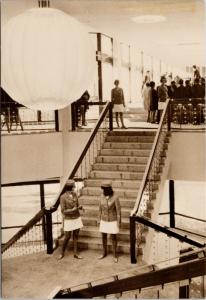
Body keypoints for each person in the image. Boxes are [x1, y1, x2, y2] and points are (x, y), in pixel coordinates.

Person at [58, 179, 84, 260]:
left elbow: (78, 205)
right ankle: (62, 252)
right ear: (70, 187)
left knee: (76, 236)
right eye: (73, 186)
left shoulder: (75, 194)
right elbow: (63, 211)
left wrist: (80, 207)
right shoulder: (62, 197)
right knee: (67, 236)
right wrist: (72, 210)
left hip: (77, 217)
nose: (74, 188)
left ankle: (75, 253)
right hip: (68, 219)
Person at [98, 183, 121, 263]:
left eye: (104, 189)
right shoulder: (101, 196)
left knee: (113, 237)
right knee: (103, 237)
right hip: (104, 219)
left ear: (108, 190)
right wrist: (98, 219)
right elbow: (100, 209)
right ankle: (104, 253)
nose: (103, 191)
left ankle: (115, 255)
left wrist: (118, 222)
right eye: (103, 189)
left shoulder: (115, 197)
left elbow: (118, 211)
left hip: (112, 220)